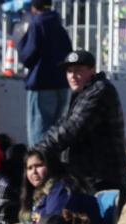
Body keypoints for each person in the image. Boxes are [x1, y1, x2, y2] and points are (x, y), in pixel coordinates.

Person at [36, 49, 126, 224]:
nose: (72, 75)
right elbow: (61, 127)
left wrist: (39, 151)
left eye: (78, 70)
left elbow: (71, 129)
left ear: (92, 70)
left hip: (105, 184)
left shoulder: (100, 91)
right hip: (88, 182)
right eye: (69, 71)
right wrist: (40, 150)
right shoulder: (82, 94)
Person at [18, 0, 73, 146]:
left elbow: (28, 56)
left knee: (39, 134)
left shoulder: (37, 24)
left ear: (34, 8)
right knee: (56, 134)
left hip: (41, 84)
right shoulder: (59, 26)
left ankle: (41, 167)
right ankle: (55, 167)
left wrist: (21, 43)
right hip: (61, 83)